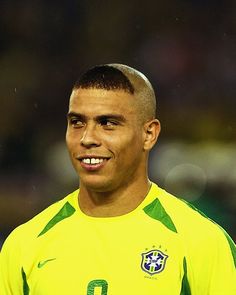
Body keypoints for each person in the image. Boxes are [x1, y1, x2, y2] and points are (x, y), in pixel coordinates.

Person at [0, 64, 235, 295]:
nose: (87, 138)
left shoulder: (201, 242)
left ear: (149, 134)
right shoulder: (24, 245)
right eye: (77, 122)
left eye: (108, 123)